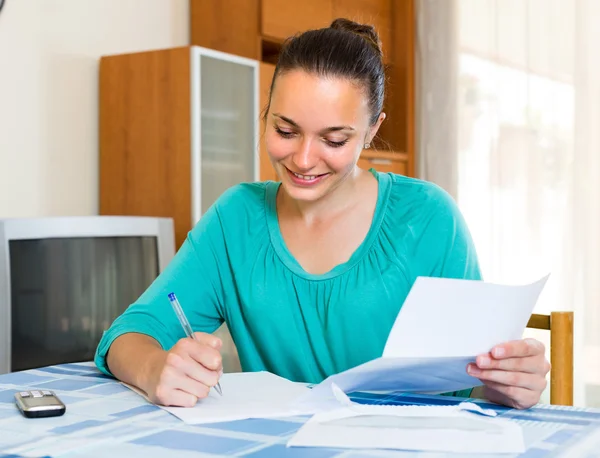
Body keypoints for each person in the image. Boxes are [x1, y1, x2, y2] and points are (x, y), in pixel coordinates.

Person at [94, 18, 550, 410]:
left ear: (373, 130)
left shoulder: (429, 220)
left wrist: (509, 384)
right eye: (285, 130)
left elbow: (473, 386)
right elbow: (128, 335)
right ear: (266, 112)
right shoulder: (237, 220)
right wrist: (156, 369)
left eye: (334, 140)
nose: (304, 159)